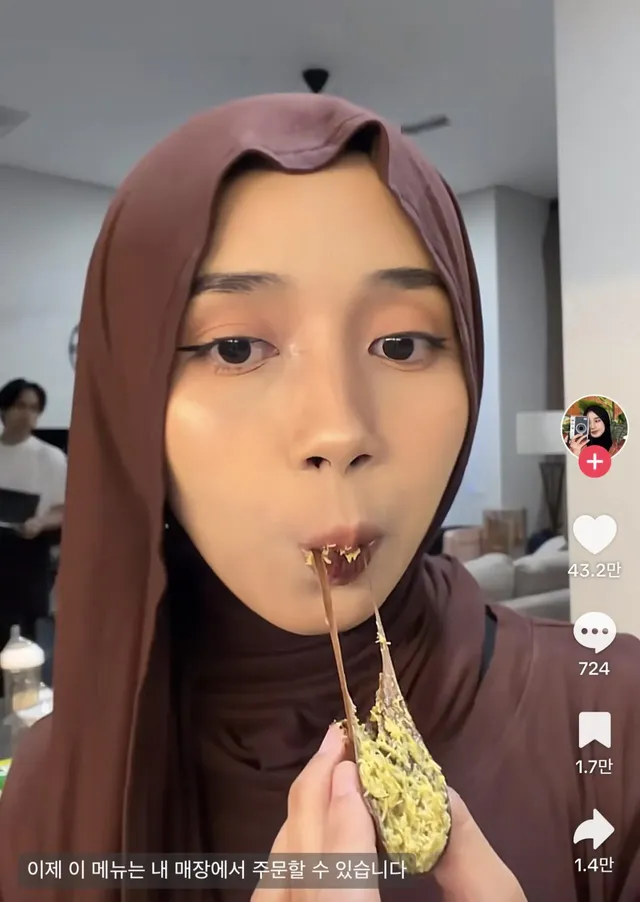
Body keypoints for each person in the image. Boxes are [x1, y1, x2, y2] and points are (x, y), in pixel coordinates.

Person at [0, 95, 638, 902]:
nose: (339, 430)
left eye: (400, 344)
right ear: (130, 400)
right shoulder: (51, 793)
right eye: (236, 347)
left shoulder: (613, 721)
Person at [0, 379, 66, 659]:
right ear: (4, 410)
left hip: (26, 553)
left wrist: (40, 522)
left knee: (21, 639)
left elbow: (64, 508)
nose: (27, 414)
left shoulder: (50, 457)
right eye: (20, 406)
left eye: (34, 408)